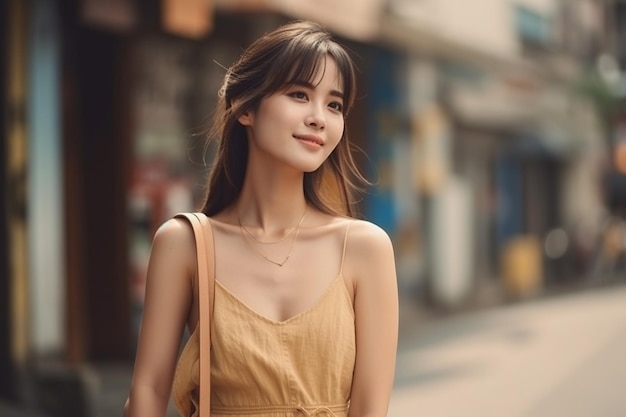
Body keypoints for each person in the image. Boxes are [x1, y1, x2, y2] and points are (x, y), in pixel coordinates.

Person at [124, 20, 399, 417]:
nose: (319, 117)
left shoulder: (363, 248)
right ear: (245, 108)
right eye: (299, 94)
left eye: (334, 104)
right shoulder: (185, 244)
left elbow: (371, 409)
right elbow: (148, 392)